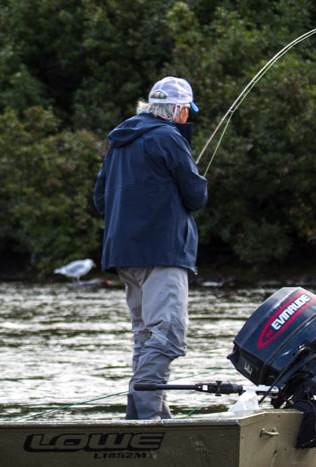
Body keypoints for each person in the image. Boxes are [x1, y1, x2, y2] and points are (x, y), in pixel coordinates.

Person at [93, 76, 209, 420]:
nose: (187, 117)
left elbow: (100, 199)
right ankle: (145, 417)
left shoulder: (119, 142)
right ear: (177, 110)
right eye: (186, 111)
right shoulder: (168, 137)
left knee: (146, 336)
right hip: (162, 252)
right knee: (169, 334)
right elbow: (196, 195)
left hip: (123, 255)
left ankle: (153, 415)